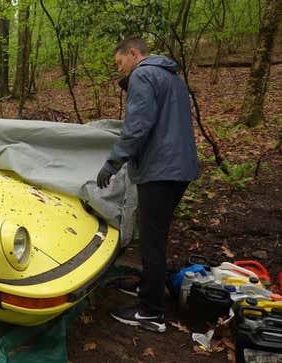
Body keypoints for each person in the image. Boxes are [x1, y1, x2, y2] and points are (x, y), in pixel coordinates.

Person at [96, 36, 198, 333]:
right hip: (180, 167)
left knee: (152, 240)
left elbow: (138, 124)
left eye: (120, 63)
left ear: (133, 54)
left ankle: (151, 313)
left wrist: (114, 161)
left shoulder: (143, 74)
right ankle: (148, 289)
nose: (121, 69)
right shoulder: (172, 78)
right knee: (156, 235)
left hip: (160, 168)